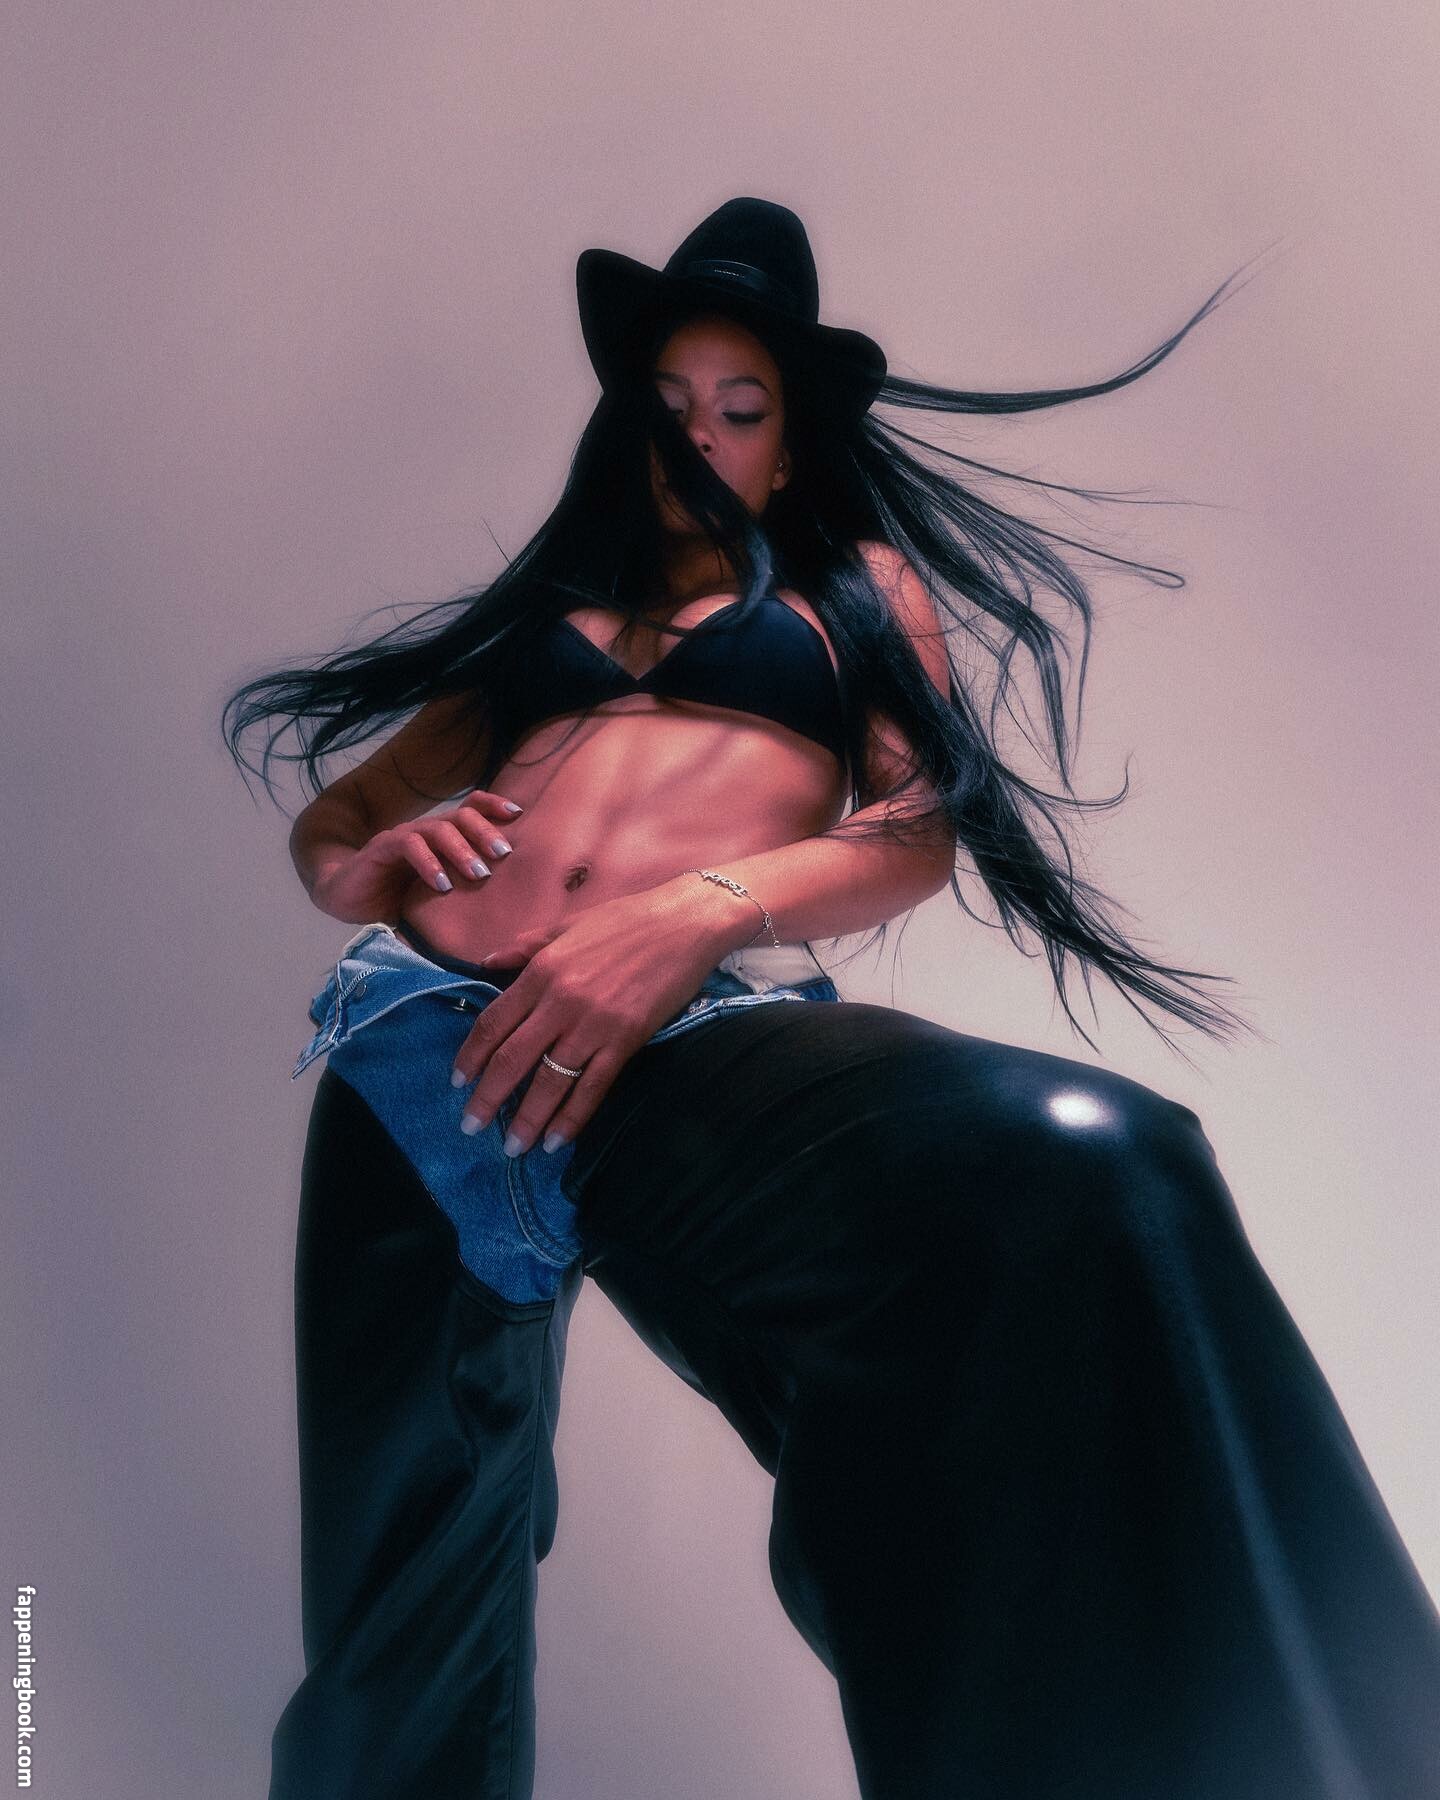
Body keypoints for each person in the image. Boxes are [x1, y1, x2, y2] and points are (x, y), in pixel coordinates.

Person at [225, 198, 1440, 1800]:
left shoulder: (848, 596)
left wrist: (698, 909)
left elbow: (916, 832)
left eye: (741, 411)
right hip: (408, 1049)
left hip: (676, 1040)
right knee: (392, 1614)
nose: (700, 438)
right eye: (670, 406)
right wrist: (369, 865)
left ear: (789, 449)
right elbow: (341, 824)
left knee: (1070, 1164)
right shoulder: (548, 625)